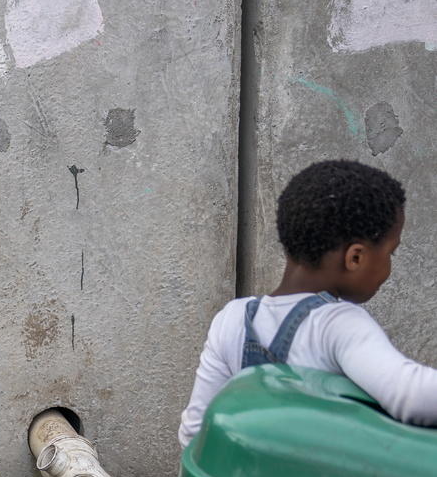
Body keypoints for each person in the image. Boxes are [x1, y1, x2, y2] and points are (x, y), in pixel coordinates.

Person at [179, 160, 437, 448]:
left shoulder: (232, 319)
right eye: (391, 252)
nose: (389, 265)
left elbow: (194, 433)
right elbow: (412, 396)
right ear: (356, 258)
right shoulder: (337, 324)